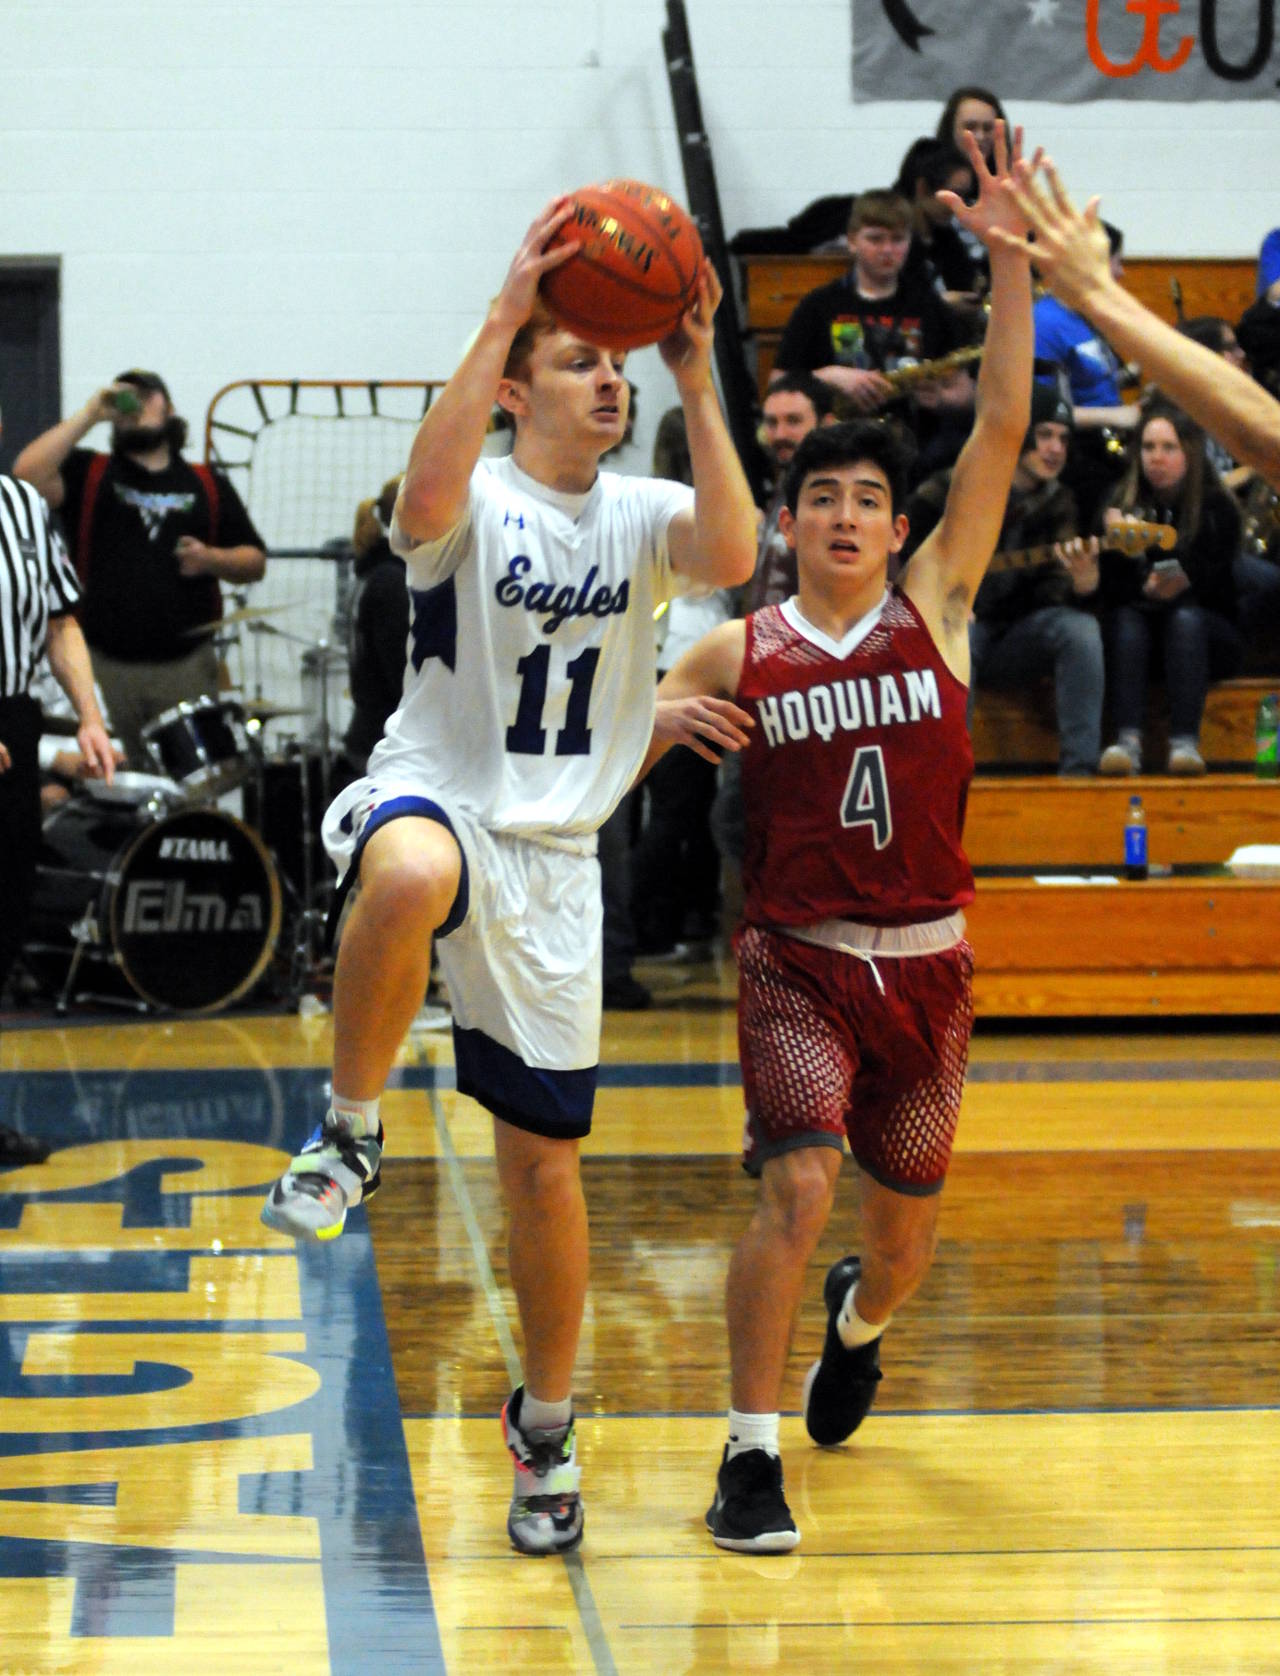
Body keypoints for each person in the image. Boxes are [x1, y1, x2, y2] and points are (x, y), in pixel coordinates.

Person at [258, 199, 757, 1553]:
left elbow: (733, 558)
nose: (609, 379)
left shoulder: (650, 515)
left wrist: (697, 373)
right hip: (440, 795)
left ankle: (545, 1431)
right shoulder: (469, 496)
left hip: (555, 866)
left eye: (618, 364)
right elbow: (419, 499)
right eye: (581, 359)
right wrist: (498, 313)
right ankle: (353, 1128)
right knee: (408, 870)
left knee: (545, 1177)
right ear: (520, 386)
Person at [644, 124, 1033, 1551]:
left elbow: (998, 428)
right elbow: (597, 743)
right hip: (797, 960)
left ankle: (857, 1331)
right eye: (825, 500)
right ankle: (749, 1459)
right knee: (798, 1183)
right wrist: (647, 736)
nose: (850, 516)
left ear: (897, 522)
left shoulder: (937, 606)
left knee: (900, 1246)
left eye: (871, 499)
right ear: (790, 525)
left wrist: (1005, 263)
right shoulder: (734, 649)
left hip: (929, 965)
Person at [13, 370, 267, 766]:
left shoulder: (205, 481)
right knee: (113, 784)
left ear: (169, 408)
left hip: (184, 665)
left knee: (189, 786)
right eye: (127, 398)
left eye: (148, 396)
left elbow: (254, 560)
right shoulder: (92, 471)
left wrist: (212, 559)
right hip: (104, 668)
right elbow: (25, 476)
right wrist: (92, 413)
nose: (137, 403)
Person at [994, 157, 1280, 495]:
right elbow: (1026, 406)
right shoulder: (1048, 319)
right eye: (1117, 262)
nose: (1123, 271)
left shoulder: (1085, 318)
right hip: (1084, 446)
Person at [0, 403, 115, 1157]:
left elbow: (61, 620)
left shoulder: (21, 507)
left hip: (12, 718)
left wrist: (89, 716)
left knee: (6, 911)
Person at [904, 383, 1104, 776]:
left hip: (1017, 633)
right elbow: (900, 551)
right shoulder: (955, 486)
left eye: (1063, 439)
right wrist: (938, 601)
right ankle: (947, 778)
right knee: (960, 637)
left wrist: (1084, 585)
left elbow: (1055, 591)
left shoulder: (1060, 501)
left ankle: (1081, 774)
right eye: (1045, 435)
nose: (1055, 449)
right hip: (957, 629)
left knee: (1080, 630)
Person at [1096, 400, 1242, 777]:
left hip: (1205, 632)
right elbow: (1110, 590)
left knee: (1185, 618)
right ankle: (1127, 743)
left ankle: (1185, 744)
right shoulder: (1119, 502)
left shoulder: (1215, 508)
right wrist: (1139, 580)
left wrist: (1169, 573)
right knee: (1127, 620)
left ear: (1189, 452)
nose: (1156, 458)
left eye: (1168, 448)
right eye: (1148, 448)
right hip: (1141, 634)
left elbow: (1213, 583)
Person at [772, 190, 970, 416]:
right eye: (875, 239)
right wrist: (828, 376)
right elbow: (778, 385)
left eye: (897, 239)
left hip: (913, 441)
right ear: (852, 241)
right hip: (836, 439)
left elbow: (966, 392)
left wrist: (943, 399)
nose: (887, 250)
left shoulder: (929, 305)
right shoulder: (818, 306)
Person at [342, 475, 408, 777]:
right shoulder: (392, 583)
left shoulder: (375, 573)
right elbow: (403, 678)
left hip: (372, 736)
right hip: (385, 748)